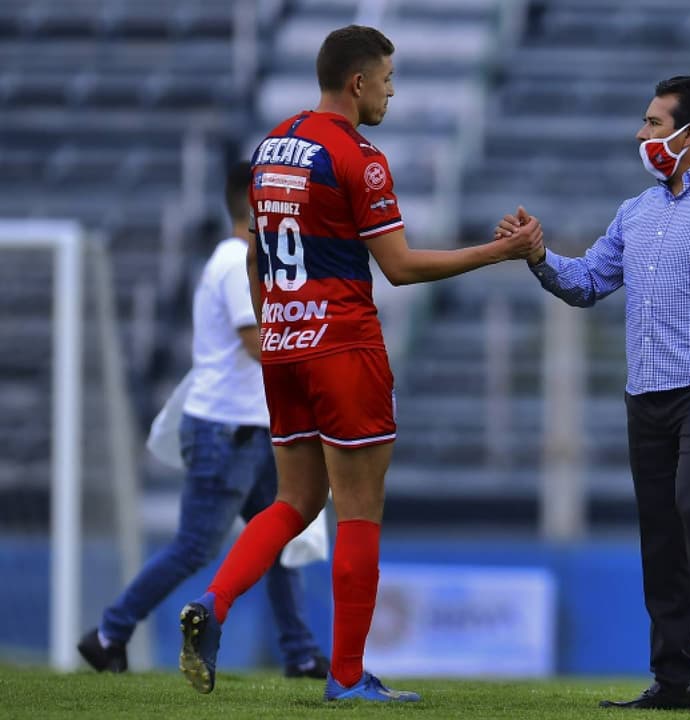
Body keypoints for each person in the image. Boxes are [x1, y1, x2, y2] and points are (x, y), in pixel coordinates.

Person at [175, 25, 542, 702]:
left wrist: (278, 316)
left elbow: (258, 257)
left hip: (282, 345)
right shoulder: (357, 156)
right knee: (360, 511)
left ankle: (214, 602)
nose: (392, 91)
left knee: (293, 500)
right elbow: (398, 267)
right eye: (388, 79)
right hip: (343, 346)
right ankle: (346, 678)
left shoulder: (271, 146)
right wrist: (497, 253)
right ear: (357, 83)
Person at [497, 76, 690, 710]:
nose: (642, 134)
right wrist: (538, 253)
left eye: (654, 123)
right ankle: (673, 676)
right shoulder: (636, 210)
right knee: (660, 531)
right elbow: (586, 282)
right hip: (648, 391)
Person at [75, 162, 329, 680]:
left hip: (250, 430)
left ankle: (300, 652)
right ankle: (108, 633)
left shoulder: (238, 261)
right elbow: (256, 343)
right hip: (227, 433)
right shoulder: (238, 263)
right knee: (195, 546)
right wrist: (317, 355)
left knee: (280, 538)